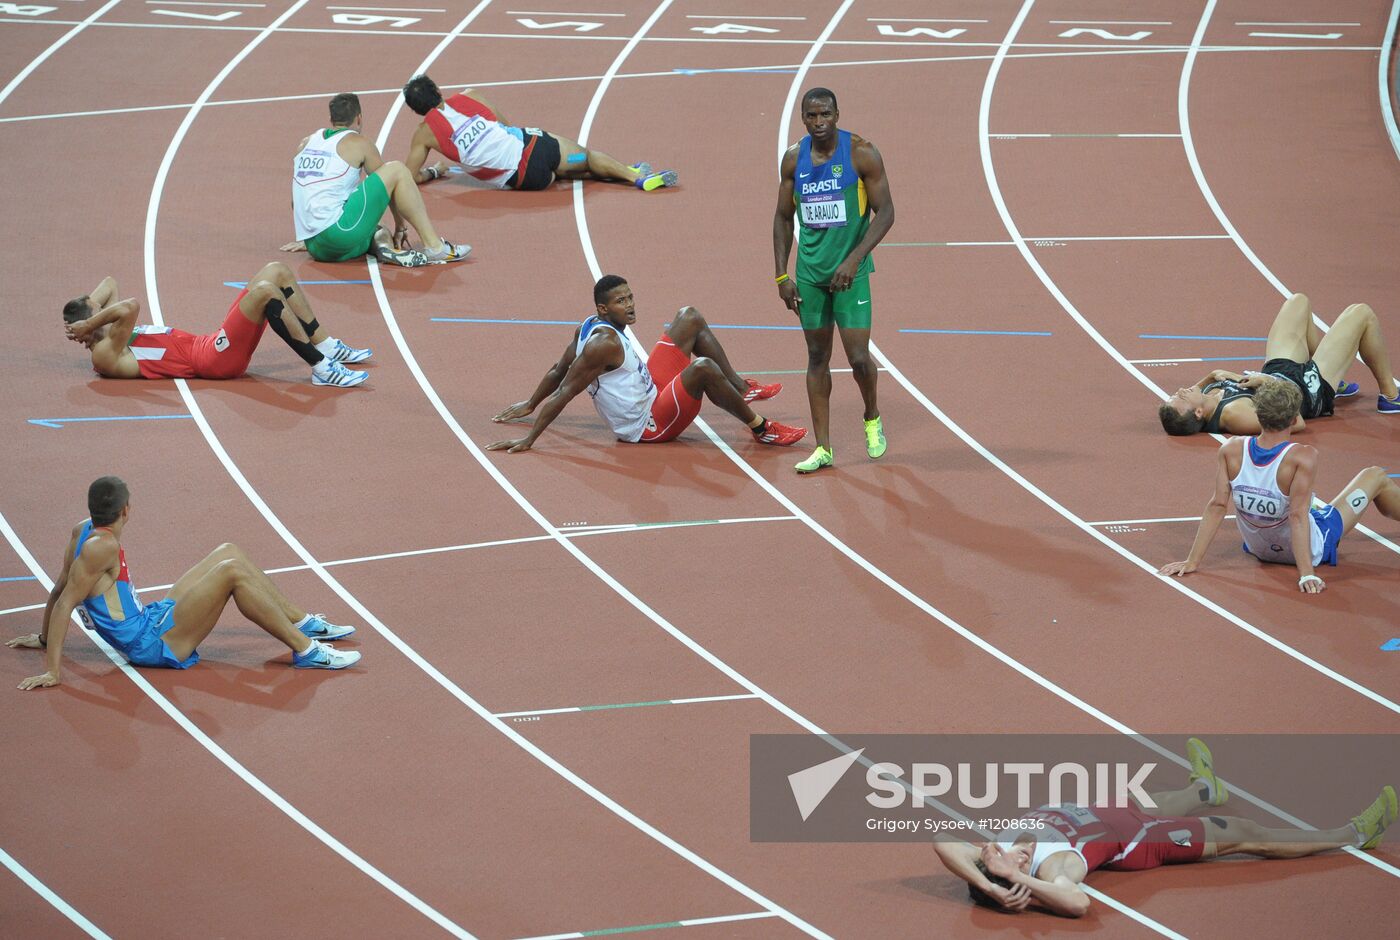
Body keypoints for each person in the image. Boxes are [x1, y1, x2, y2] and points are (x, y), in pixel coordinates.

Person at [933, 737, 1397, 917]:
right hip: (1142, 841)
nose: (996, 849)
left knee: (1146, 799)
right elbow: (1077, 905)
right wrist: (1017, 882)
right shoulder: (1054, 866)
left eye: (991, 857)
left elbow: (940, 837)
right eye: (1005, 863)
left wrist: (986, 882)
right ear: (1018, 877)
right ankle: (1354, 833)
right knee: (1240, 830)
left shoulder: (994, 856)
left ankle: (1204, 787)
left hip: (1108, 809)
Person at [8, 477, 360, 690]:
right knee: (231, 573)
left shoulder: (81, 530)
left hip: (150, 620)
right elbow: (67, 599)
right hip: (149, 643)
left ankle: (302, 621)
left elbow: (58, 588)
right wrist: (52, 671)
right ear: (126, 510)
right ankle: (307, 650)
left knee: (229, 551)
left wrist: (42, 638)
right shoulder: (105, 546)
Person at [488, 275, 806, 452]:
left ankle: (740, 388)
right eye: (620, 302)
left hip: (651, 390)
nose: (629, 305)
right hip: (646, 424)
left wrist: (530, 404)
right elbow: (565, 389)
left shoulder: (588, 325)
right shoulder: (604, 345)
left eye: (630, 297)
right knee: (704, 368)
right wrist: (530, 439)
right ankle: (762, 429)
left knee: (689, 317)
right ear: (603, 308)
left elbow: (556, 370)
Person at [1157, 378, 1400, 593]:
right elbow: (1297, 516)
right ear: (1295, 419)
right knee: (1375, 476)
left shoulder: (1230, 450)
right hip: (1310, 550)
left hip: (1258, 549)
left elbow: (1217, 505)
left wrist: (1192, 561)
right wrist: (1306, 573)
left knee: (1308, 504)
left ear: (1258, 416)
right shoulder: (1302, 456)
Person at [773, 87, 895, 474]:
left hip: (851, 276)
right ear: (803, 119)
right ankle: (823, 448)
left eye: (826, 114)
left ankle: (872, 416)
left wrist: (854, 259)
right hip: (810, 277)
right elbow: (781, 218)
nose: (820, 121)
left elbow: (887, 212)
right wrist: (782, 274)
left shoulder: (861, 152)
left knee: (858, 358)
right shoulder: (794, 160)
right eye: (812, 116)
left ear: (837, 114)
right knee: (816, 357)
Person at [63, 265, 371, 387]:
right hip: (213, 361)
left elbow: (108, 282)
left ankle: (325, 345)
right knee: (265, 292)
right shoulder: (104, 352)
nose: (101, 306)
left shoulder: (108, 326)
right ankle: (321, 368)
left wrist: (87, 318)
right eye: (96, 310)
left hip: (211, 344)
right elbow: (130, 305)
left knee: (276, 272)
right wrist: (88, 323)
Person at [1159, 292, 1400, 436]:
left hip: (1279, 372)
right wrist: (1267, 383)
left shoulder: (1206, 397)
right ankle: (1390, 398)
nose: (1180, 390)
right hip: (1307, 392)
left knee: (1298, 301)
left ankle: (1334, 380)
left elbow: (1198, 390)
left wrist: (1212, 376)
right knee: (1361, 313)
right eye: (1180, 398)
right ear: (1198, 413)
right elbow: (1296, 422)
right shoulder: (1234, 415)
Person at [281, 92, 469, 266]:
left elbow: (297, 197)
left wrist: (307, 235)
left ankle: (385, 250)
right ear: (359, 118)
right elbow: (391, 185)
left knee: (378, 229)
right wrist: (400, 224)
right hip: (340, 233)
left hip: (316, 247)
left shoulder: (306, 142)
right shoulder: (359, 143)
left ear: (331, 119)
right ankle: (434, 247)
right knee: (397, 169)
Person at [400, 75, 677, 193]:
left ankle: (624, 171)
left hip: (527, 179)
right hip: (537, 149)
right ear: (437, 90)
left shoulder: (423, 134)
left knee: (570, 170)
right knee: (586, 158)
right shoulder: (470, 96)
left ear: (415, 110)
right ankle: (636, 177)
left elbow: (410, 175)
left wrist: (434, 172)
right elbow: (508, 124)